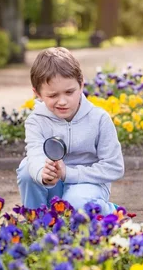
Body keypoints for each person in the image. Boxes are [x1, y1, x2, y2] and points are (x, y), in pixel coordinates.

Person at [16, 47, 124, 214]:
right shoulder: (36, 121)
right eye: (52, 96)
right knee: (27, 171)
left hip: (88, 183)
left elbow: (114, 167)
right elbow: (35, 154)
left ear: (81, 85)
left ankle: (109, 211)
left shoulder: (99, 119)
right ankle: (38, 224)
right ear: (37, 93)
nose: (62, 101)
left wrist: (69, 173)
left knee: (75, 204)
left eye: (69, 92)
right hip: (54, 183)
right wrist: (42, 174)